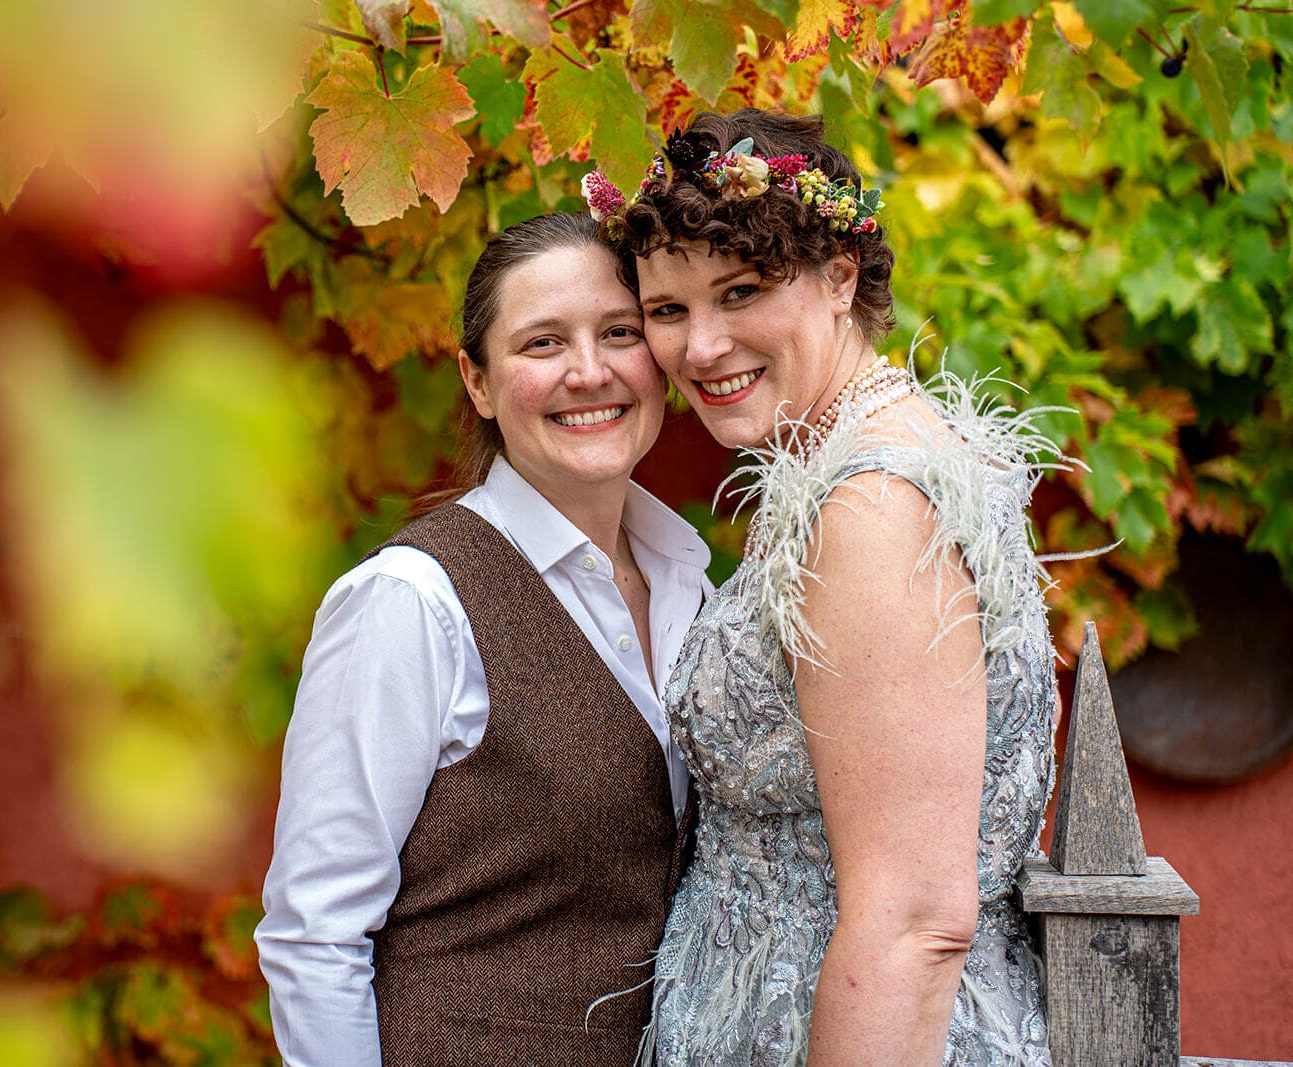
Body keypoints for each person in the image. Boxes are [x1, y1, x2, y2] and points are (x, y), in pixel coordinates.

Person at [587, 109, 1058, 1064]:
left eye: (743, 290)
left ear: (842, 274)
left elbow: (915, 922)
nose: (703, 347)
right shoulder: (845, 464)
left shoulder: (873, 508)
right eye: (669, 311)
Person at [255, 211, 713, 1065]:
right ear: (477, 380)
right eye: (542, 343)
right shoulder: (412, 603)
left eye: (619, 332)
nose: (590, 371)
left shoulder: (691, 584)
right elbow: (315, 935)